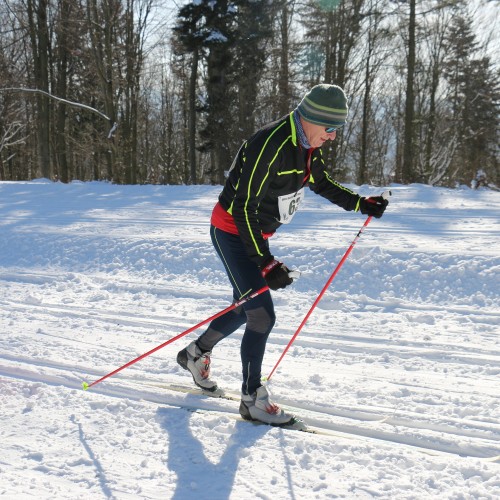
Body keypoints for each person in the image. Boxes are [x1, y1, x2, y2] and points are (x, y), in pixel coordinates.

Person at [177, 84, 388, 425]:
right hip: (232, 230)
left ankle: (194, 354)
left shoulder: (306, 145)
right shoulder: (271, 144)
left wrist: (360, 203)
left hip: (254, 234)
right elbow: (244, 207)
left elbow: (320, 182)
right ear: (313, 119)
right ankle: (251, 400)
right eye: (330, 128)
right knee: (261, 315)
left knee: (247, 308)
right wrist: (265, 262)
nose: (333, 137)